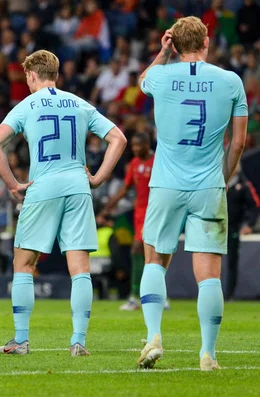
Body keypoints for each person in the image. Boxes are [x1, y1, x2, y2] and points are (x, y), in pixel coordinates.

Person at [0, 50, 126, 356]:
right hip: (78, 188)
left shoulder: (26, 106)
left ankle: (21, 340)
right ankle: (79, 341)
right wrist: (99, 177)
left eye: (26, 77)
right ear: (56, 75)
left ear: (32, 75)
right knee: (80, 269)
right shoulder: (79, 103)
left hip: (43, 187)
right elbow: (119, 138)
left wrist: (13, 184)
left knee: (23, 264)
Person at [136, 17, 248, 371]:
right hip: (208, 187)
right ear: (207, 41)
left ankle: (154, 335)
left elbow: (142, 82)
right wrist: (223, 177)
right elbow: (239, 141)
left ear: (175, 43)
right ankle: (208, 354)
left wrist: (163, 52)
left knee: (154, 260)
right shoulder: (231, 81)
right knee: (209, 275)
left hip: (166, 184)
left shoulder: (161, 76)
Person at [101, 133, 155, 311]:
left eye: (139, 145)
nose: (136, 149)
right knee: (144, 252)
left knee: (141, 250)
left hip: (155, 211)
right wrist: (110, 205)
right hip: (139, 213)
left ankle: (136, 296)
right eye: (133, 146)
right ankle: (152, 296)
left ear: (147, 143)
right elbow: (126, 187)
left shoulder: (157, 161)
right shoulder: (134, 164)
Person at [225, 163, 258, 301]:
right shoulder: (216, 181)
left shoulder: (244, 185)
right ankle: (209, 293)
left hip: (232, 228)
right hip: (214, 228)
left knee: (232, 262)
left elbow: (254, 206)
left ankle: (229, 295)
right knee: (209, 259)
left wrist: (249, 224)